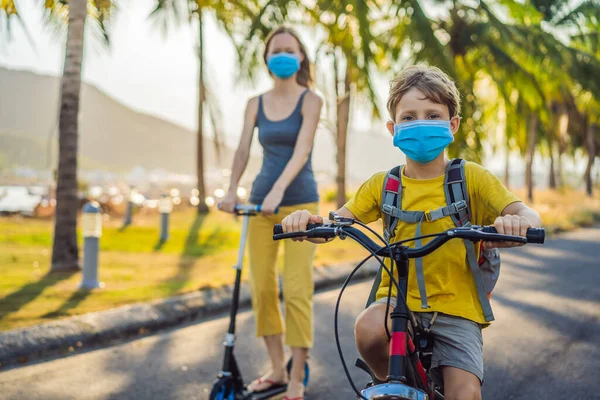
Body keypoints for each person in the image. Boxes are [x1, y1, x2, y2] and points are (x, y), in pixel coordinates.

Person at [281, 65, 542, 400]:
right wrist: (307, 223)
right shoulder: (383, 185)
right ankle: (394, 385)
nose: (421, 123)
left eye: (433, 115)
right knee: (368, 328)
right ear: (393, 128)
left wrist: (517, 221)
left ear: (452, 125)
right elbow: (335, 223)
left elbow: (528, 214)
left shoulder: (471, 178)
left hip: (457, 310)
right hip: (397, 302)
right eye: (409, 116)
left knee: (465, 394)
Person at [218, 26, 323, 400]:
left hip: (299, 205)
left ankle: (297, 376)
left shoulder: (311, 100)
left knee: (296, 289)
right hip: (261, 206)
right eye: (275, 49)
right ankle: (277, 370)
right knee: (262, 289)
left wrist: (279, 189)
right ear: (267, 58)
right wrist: (232, 189)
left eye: (289, 48)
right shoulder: (255, 103)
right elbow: (243, 150)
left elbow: (303, 150)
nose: (282, 54)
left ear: (300, 57)